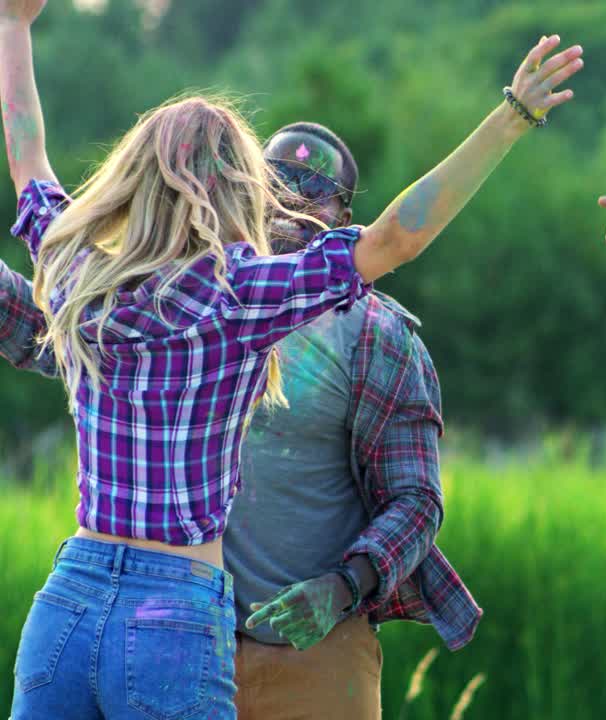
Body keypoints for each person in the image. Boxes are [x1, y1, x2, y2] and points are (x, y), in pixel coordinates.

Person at [1, 1, 583, 713]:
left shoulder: (80, 277)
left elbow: (29, 159)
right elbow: (398, 236)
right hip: (175, 617)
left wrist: (13, 28)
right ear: (242, 190)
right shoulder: (241, 298)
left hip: (69, 600)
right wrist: (510, 119)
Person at [2, 119, 485, 719]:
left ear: (342, 214)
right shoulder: (180, 305)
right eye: (277, 185)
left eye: (314, 194)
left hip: (315, 654)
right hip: (177, 635)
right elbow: (53, 327)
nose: (291, 206)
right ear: (245, 190)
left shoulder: (379, 338)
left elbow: (417, 500)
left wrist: (345, 586)